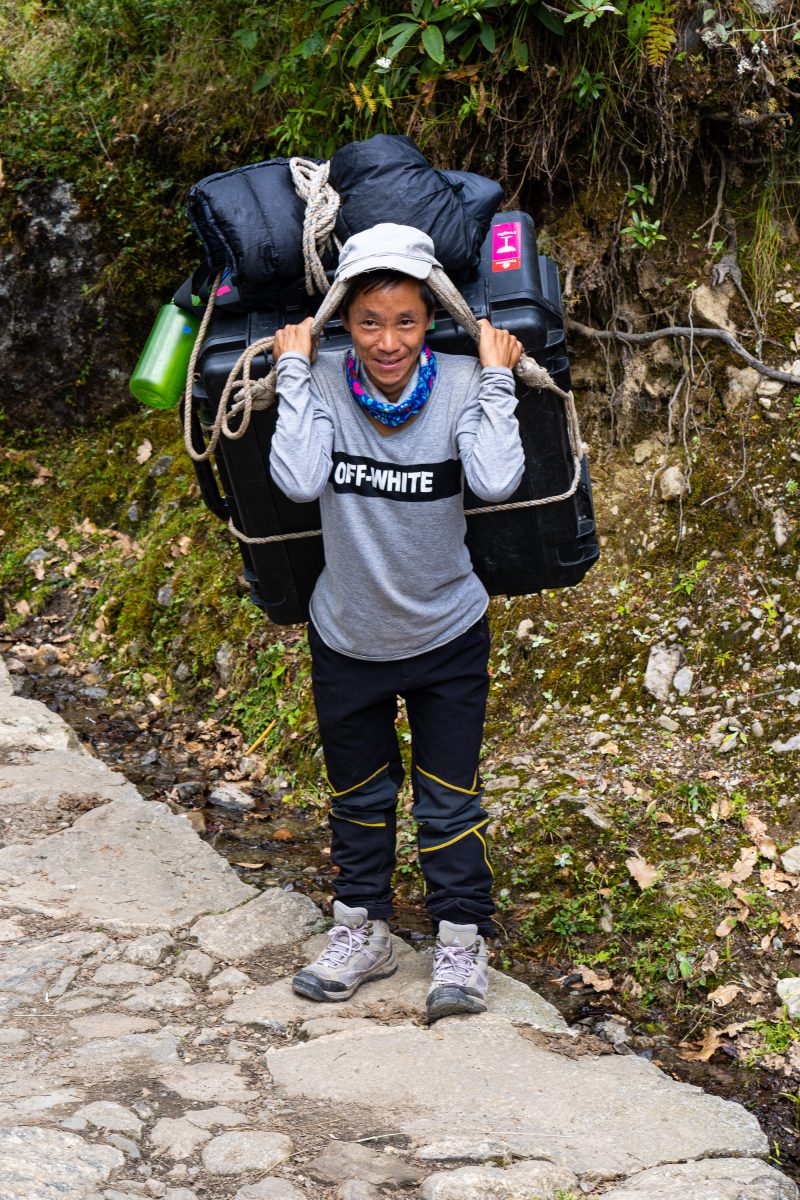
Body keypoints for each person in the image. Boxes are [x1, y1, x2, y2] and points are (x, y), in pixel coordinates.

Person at [270, 223, 524, 1022]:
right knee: (359, 797)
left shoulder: (458, 381)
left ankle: (460, 939)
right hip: (347, 635)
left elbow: (494, 479)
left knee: (448, 801)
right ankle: (364, 932)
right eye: (371, 322)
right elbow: (299, 479)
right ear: (344, 321)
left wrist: (494, 381)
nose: (388, 342)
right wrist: (292, 371)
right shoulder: (322, 380)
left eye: (406, 321)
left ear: (431, 322)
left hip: (447, 634)